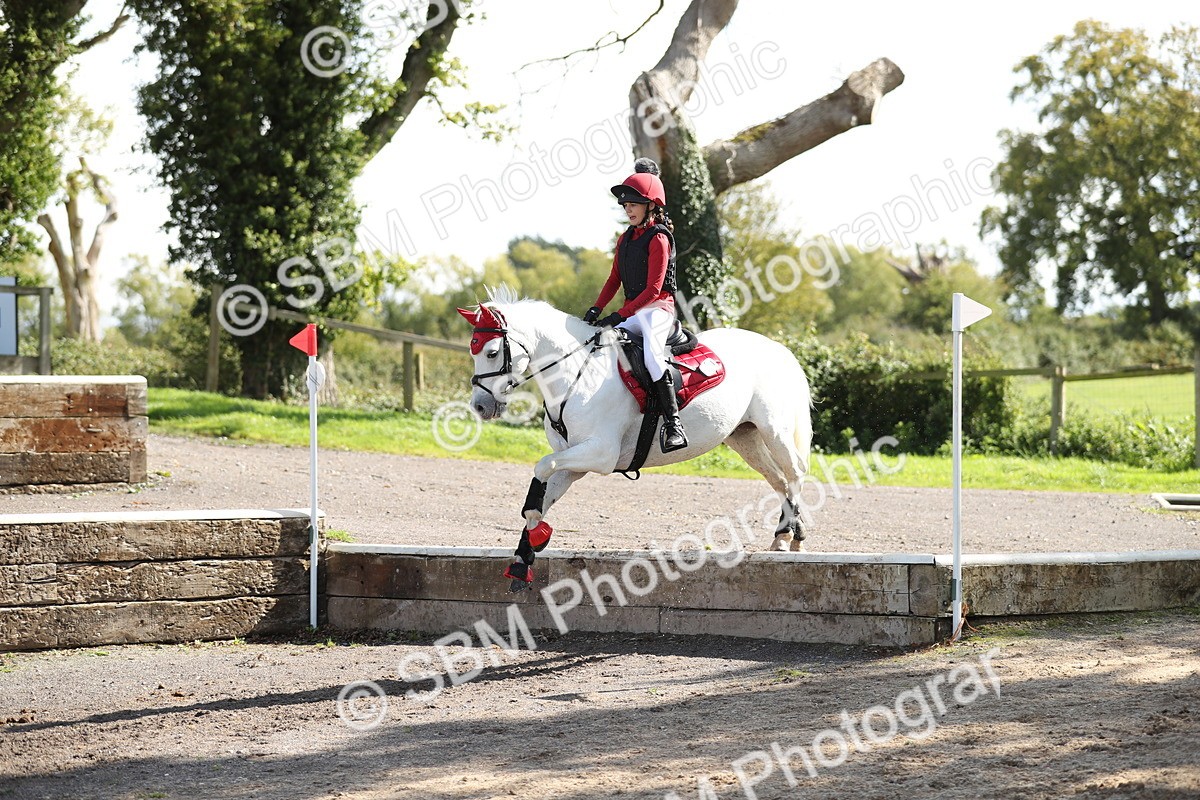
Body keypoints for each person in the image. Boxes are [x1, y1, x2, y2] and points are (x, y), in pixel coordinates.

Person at [584, 157, 688, 453]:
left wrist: (618, 315)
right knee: (597, 343)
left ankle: (673, 423)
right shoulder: (625, 239)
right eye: (625, 204)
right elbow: (614, 278)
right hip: (633, 311)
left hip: (658, 311)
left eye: (633, 203)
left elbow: (654, 290)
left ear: (651, 205)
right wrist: (596, 309)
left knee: (654, 357)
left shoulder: (659, 239)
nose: (627, 208)